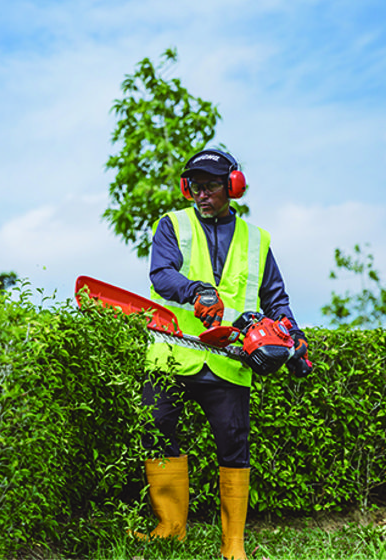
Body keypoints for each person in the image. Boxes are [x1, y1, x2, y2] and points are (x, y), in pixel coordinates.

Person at [132, 148, 312, 560]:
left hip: (230, 361)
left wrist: (294, 337)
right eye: (196, 185)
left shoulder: (257, 239)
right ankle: (170, 527)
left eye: (212, 184)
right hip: (173, 355)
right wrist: (195, 290)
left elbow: (276, 299)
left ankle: (233, 544)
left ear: (233, 186)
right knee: (156, 427)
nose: (203, 193)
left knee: (234, 445)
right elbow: (162, 275)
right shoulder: (172, 226)